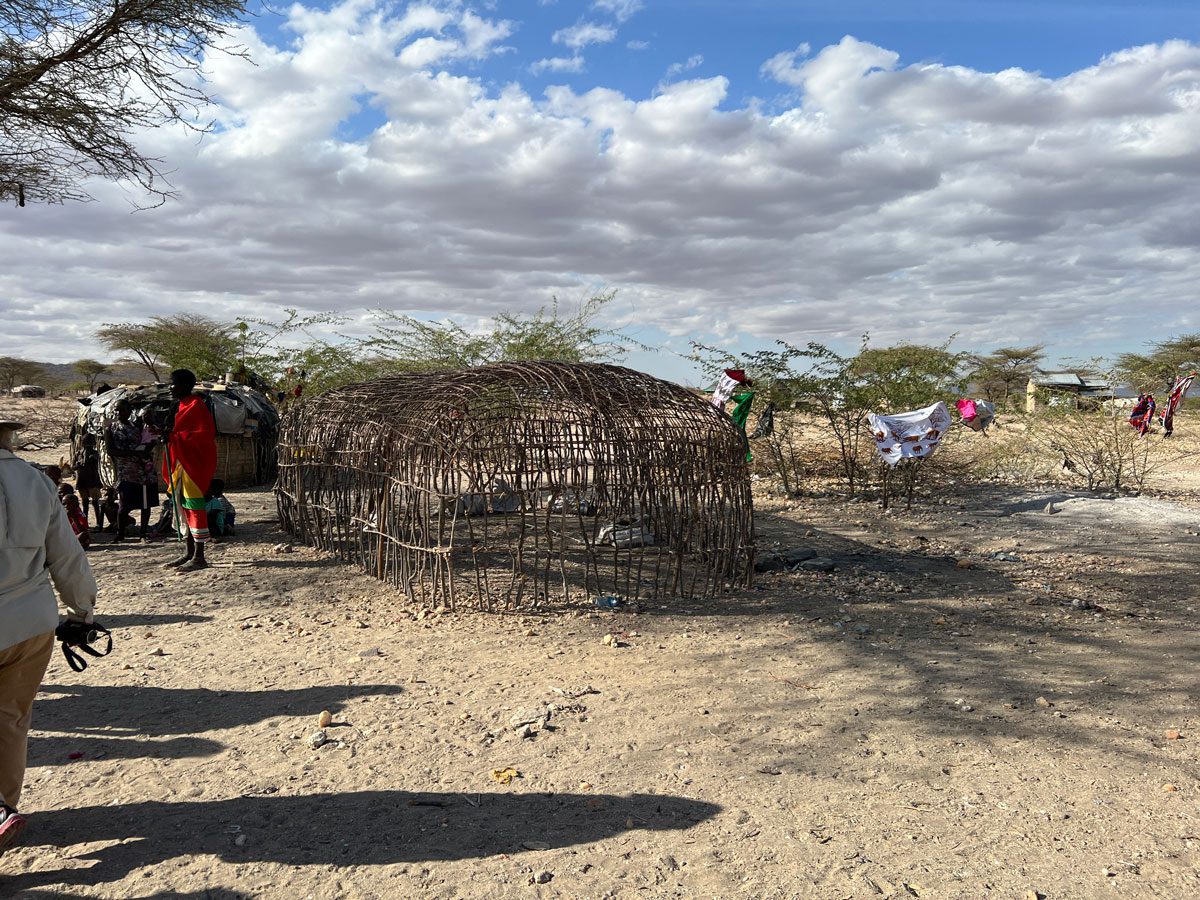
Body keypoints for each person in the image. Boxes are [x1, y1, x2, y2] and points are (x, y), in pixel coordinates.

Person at [0, 411, 98, 854]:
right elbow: (66, 555)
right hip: (28, 622)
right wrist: (82, 611)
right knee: (11, 719)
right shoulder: (36, 482)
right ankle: (3, 806)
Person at [162, 370, 217, 571]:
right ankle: (189, 553)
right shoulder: (182, 406)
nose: (170, 387)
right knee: (183, 508)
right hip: (182, 464)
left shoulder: (197, 406)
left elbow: (204, 436)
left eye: (173, 384)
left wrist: (174, 436)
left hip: (194, 466)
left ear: (185, 386)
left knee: (195, 507)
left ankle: (200, 557)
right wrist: (168, 435)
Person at [104, 399, 159, 543]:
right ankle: (120, 533)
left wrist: (146, 449)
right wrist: (133, 453)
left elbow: (148, 440)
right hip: (126, 471)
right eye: (117, 410)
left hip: (144, 471)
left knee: (145, 503)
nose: (119, 413)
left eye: (122, 410)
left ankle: (143, 533)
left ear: (129, 411)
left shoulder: (137, 426)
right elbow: (111, 450)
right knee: (124, 504)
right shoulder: (111, 428)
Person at [72, 434, 103, 529]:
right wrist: (78, 465)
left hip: (93, 480)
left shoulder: (95, 453)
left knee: (95, 503)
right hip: (82, 481)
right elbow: (73, 467)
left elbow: (95, 461)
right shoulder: (78, 454)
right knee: (85, 504)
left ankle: (99, 522)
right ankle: (85, 522)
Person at [57, 485, 91, 550]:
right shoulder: (59, 510)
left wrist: (74, 518)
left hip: (74, 537)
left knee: (83, 535)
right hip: (64, 537)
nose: (66, 506)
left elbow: (83, 530)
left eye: (70, 503)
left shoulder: (79, 514)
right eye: (64, 504)